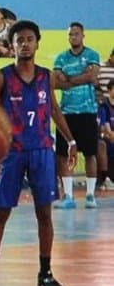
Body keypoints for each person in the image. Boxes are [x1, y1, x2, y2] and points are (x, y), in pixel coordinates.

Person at [0, 21, 73, 286]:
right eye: (19, 40)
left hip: (41, 150)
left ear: (38, 43)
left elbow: (54, 109)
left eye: (29, 39)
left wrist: (70, 140)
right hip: (10, 152)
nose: (24, 44)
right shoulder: (1, 77)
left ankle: (46, 274)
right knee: (2, 212)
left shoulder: (46, 77)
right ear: (11, 45)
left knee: (45, 213)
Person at [52, 22, 101, 209]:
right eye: (70, 34)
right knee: (63, 155)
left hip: (87, 111)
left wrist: (70, 79)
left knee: (90, 153)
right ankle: (68, 196)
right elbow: (55, 80)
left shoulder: (92, 55)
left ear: (83, 35)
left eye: (76, 34)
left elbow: (92, 76)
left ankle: (90, 195)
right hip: (66, 113)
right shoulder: (61, 58)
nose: (73, 37)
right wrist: (81, 77)